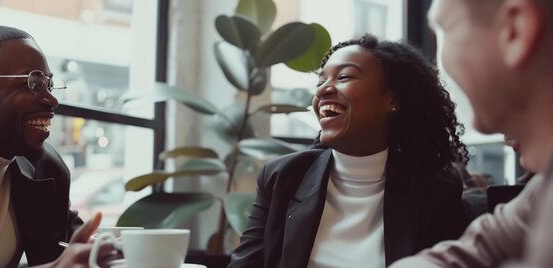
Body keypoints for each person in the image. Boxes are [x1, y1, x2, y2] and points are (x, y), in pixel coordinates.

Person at [228, 34, 470, 268]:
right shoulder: (283, 176)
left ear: (392, 100)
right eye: (321, 81)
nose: (323, 90)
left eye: (344, 77)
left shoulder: (434, 189)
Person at [0, 25, 112, 267]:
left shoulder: (47, 169)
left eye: (49, 84)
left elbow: (71, 247)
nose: (51, 99)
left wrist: (108, 250)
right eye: (33, 82)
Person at [390, 0, 553, 266]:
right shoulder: (541, 190)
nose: (437, 65)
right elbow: (486, 245)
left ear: (515, 30)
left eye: (445, 31)